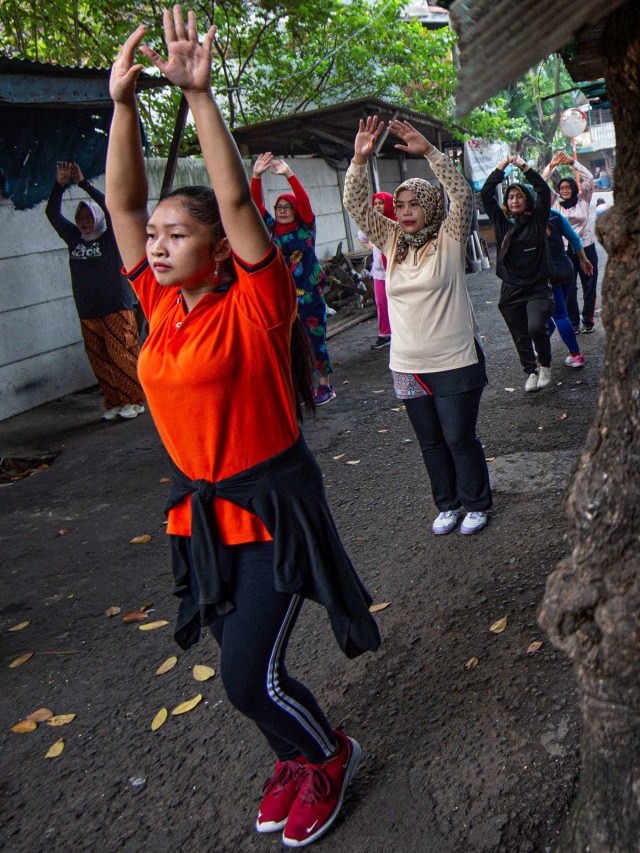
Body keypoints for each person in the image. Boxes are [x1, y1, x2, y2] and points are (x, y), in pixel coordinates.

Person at [105, 9, 380, 848]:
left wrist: (196, 97)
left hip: (271, 508)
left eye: (175, 235)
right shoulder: (159, 306)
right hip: (203, 515)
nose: (154, 245)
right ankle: (296, 756)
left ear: (219, 250)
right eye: (153, 236)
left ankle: (327, 754)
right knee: (249, 670)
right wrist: (119, 106)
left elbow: (231, 195)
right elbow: (120, 200)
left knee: (242, 676)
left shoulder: (257, 304)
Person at [344, 116, 492, 536]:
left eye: (414, 204)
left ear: (430, 206)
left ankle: (477, 503)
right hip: (406, 364)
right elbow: (356, 206)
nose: (406, 212)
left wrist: (429, 152)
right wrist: (358, 160)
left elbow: (461, 193)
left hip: (454, 360)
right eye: (402, 205)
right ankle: (448, 504)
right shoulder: (392, 241)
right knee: (430, 442)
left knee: (459, 438)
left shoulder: (449, 237)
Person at [45, 161, 145, 420]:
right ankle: (113, 402)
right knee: (99, 359)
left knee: (123, 354)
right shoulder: (74, 238)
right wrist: (59, 186)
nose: (84, 222)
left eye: (88, 217)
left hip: (116, 305)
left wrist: (83, 184)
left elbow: (112, 211)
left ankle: (135, 401)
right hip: (88, 309)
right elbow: (53, 215)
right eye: (80, 218)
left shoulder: (110, 237)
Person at [251, 153, 335, 405]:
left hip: (309, 293)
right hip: (281, 296)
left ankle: (325, 386)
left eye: (288, 207)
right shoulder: (271, 228)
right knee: (288, 342)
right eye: (279, 207)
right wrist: (256, 176)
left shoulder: (306, 227)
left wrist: (289, 174)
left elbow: (304, 201)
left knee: (315, 338)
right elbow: (254, 205)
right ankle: (299, 386)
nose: (283, 211)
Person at [481, 155, 554, 393]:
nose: (514, 200)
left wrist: (524, 167)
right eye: (510, 197)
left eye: (519, 196)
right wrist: (501, 166)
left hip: (537, 287)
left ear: (527, 200)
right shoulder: (503, 224)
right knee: (520, 334)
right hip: (511, 289)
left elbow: (543, 189)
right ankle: (530, 371)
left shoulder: (538, 219)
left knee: (535, 328)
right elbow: (486, 193)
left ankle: (544, 365)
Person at [541, 151, 598, 333]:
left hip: (586, 248)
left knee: (590, 285)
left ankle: (588, 319)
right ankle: (573, 321)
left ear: (574, 188)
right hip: (564, 251)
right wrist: (552, 165)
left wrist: (572, 162)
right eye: (562, 187)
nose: (565, 190)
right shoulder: (554, 201)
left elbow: (589, 177)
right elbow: (541, 183)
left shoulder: (583, 199)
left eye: (568, 187)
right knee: (569, 287)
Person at [546, 210, 594, 368]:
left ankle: (576, 355)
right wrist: (584, 259)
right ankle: (542, 342)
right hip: (567, 268)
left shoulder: (528, 219)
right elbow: (573, 237)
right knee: (555, 313)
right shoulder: (554, 214)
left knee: (559, 315)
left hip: (549, 272)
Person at [357, 192, 396, 349]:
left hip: (395, 269)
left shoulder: (394, 222)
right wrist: (372, 247)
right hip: (379, 270)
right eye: (375, 203)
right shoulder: (371, 223)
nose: (378, 206)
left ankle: (401, 332)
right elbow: (361, 237)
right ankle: (385, 334)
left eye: (381, 203)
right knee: (381, 302)